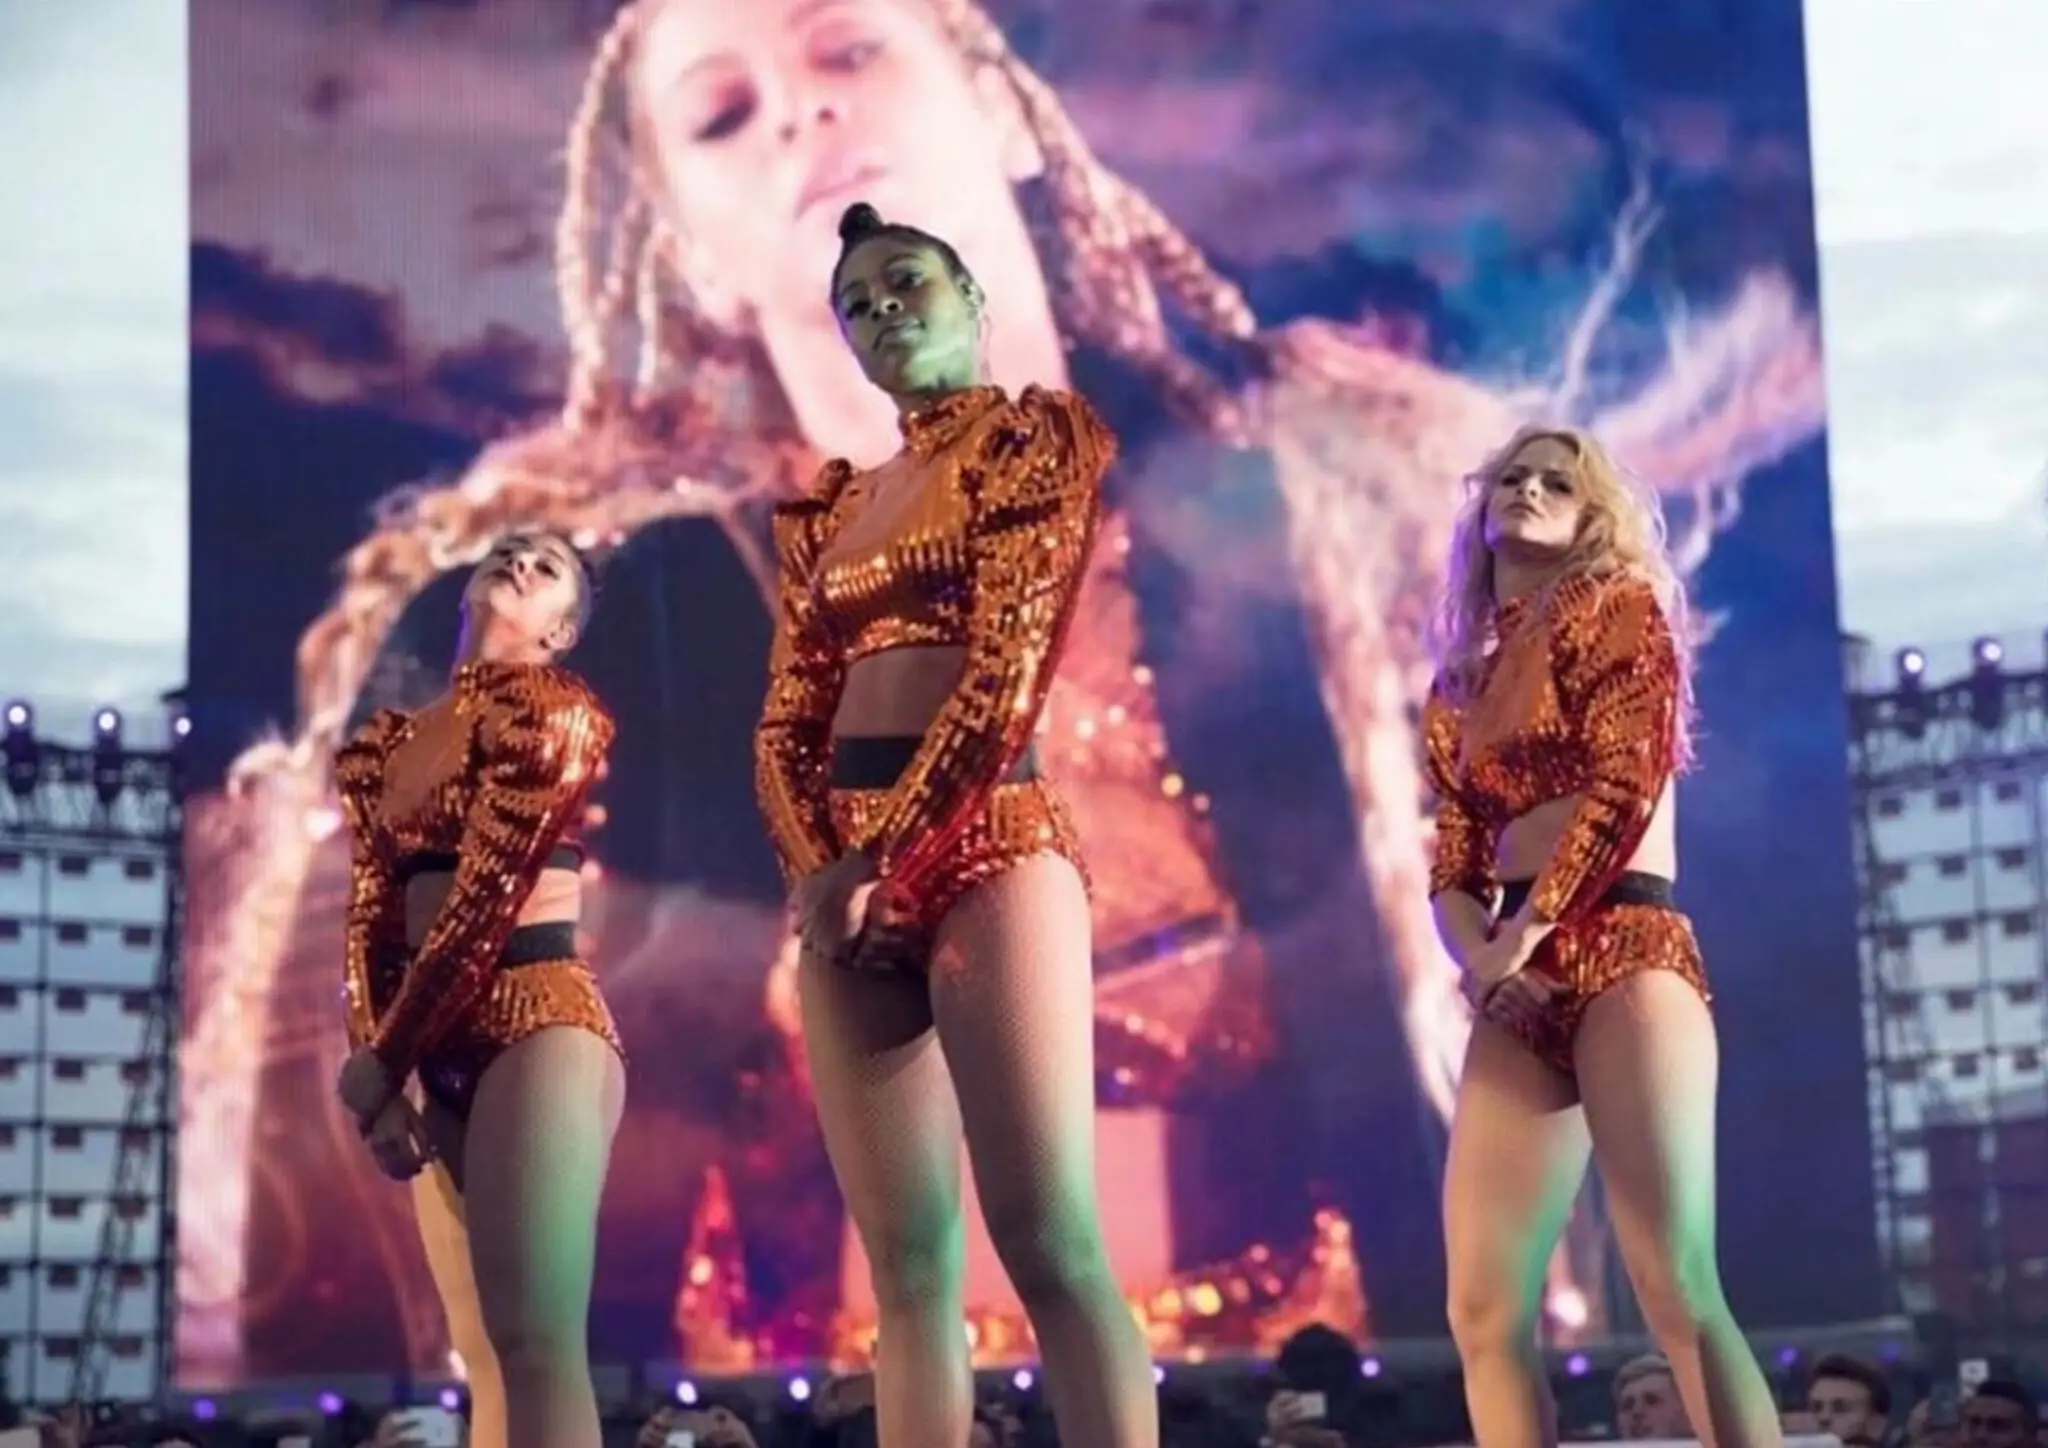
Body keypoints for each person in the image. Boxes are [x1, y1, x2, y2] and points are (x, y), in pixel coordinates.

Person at [754, 200, 1152, 1448]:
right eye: (856, 303)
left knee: (1047, 1237)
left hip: (988, 842)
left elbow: (1005, 671)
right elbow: (784, 722)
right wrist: (823, 866)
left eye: (906, 281)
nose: (881, 309)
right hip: (845, 880)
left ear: (975, 297)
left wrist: (885, 856)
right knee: (904, 1269)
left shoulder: (1031, 442)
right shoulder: (834, 509)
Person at [1422, 426, 1780, 1448]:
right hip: (1515, 981)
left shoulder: (1616, 607)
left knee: (1672, 1279)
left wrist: (1526, 934)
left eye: (1556, 482)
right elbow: (1451, 855)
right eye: (1510, 476)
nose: (1527, 489)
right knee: (1481, 1307)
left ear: (1591, 518)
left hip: (1622, 942)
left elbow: (1621, 790)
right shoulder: (1460, 679)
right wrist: (1481, 957)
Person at [333, 529, 624, 1448]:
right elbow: (371, 921)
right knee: (484, 1353)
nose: (523, 564)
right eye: (509, 551)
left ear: (561, 631)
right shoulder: (395, 745)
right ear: (466, 587)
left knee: (537, 1341)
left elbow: (484, 901)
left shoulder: (550, 710)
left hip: (537, 1020)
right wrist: (375, 1072)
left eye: (550, 569)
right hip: (434, 1052)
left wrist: (381, 1063)